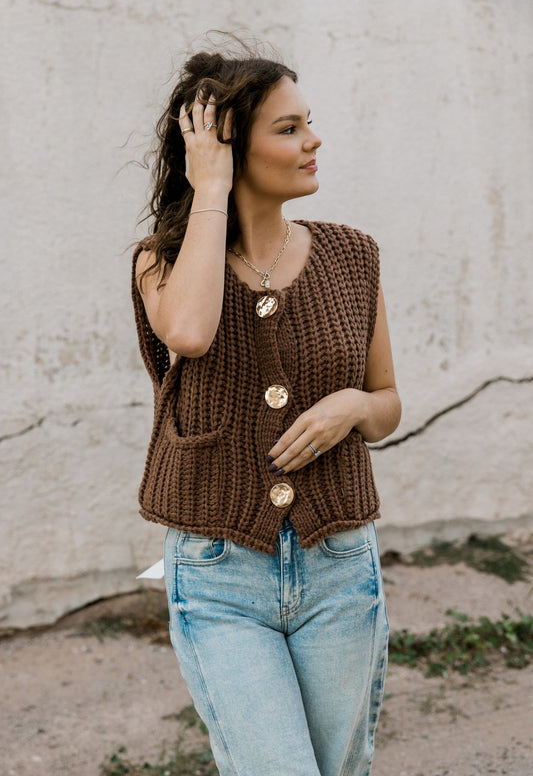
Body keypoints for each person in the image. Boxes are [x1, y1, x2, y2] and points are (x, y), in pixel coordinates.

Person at [131, 39, 401, 776]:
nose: (314, 141)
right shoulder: (162, 261)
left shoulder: (353, 257)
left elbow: (386, 405)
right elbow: (190, 333)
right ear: (224, 147)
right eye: (288, 127)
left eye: (308, 122)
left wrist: (351, 405)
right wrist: (211, 190)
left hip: (338, 564)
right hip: (219, 573)